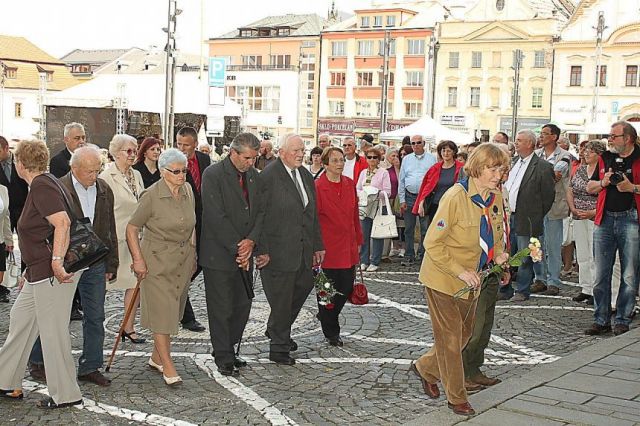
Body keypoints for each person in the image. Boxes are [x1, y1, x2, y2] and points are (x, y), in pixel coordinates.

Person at [410, 143, 510, 416]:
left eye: (501, 169)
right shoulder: (456, 196)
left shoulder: (496, 197)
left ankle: (425, 368)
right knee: (452, 339)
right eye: (493, 168)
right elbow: (433, 242)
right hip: (443, 277)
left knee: (464, 334)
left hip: (473, 280)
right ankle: (457, 397)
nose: (498, 175)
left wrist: (500, 256)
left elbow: (497, 233)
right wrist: (459, 271)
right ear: (477, 168)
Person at [0, 140, 84, 408]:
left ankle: (66, 395)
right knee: (21, 320)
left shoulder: (42, 185)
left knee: (53, 332)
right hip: (38, 271)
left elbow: (62, 222)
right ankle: (6, 380)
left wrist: (57, 262)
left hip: (51, 272)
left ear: (20, 164)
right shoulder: (47, 182)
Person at [28, 147, 118, 388]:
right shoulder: (58, 187)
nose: (94, 175)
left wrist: (112, 262)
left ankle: (91, 366)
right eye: (89, 171)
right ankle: (37, 360)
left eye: (97, 170)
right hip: (67, 261)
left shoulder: (104, 189)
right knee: (56, 313)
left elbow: (110, 228)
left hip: (96, 260)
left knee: (95, 315)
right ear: (73, 168)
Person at [126, 148, 196, 386]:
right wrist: (137, 259)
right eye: (175, 171)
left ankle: (156, 357)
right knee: (162, 312)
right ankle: (167, 364)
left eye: (184, 170)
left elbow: (192, 223)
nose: (181, 175)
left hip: (182, 259)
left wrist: (193, 249)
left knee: (174, 310)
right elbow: (132, 228)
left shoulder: (187, 190)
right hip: (156, 259)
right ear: (163, 172)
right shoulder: (151, 195)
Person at [200, 133, 265, 377]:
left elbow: (260, 212)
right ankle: (223, 355)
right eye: (247, 158)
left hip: (245, 253)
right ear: (234, 153)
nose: (251, 162)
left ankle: (231, 347)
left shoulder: (254, 177)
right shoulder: (214, 175)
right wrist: (239, 247)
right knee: (221, 306)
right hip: (219, 254)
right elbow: (215, 216)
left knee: (242, 304)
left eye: (254, 158)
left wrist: (251, 242)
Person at [259, 133, 325, 365]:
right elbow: (259, 216)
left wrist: (317, 244)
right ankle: (279, 347)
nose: (300, 154)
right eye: (296, 150)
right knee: (281, 299)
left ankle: (276, 328)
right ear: (282, 152)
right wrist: (262, 249)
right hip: (277, 252)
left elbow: (312, 214)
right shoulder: (268, 176)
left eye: (302, 150)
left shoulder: (305, 175)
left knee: (301, 290)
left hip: (303, 251)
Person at [585, 121, 640, 336]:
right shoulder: (605, 158)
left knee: (629, 274)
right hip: (605, 219)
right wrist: (603, 183)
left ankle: (623, 318)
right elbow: (590, 187)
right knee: (600, 274)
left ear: (628, 138)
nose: (610, 139)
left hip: (631, 219)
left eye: (614, 136)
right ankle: (601, 318)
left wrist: (631, 187)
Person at [100, 134, 146, 344]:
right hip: (115, 239)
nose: (133, 154)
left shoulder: (136, 174)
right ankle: (96, 325)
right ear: (116, 153)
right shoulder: (106, 177)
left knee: (134, 283)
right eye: (128, 151)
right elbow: (102, 212)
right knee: (104, 284)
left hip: (135, 238)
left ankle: (128, 326)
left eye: (135, 150)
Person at [315, 147, 362, 346]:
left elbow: (354, 215)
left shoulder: (349, 184)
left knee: (345, 287)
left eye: (341, 160)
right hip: (325, 248)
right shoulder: (317, 186)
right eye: (334, 160)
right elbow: (313, 219)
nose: (339, 164)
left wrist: (359, 239)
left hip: (347, 245)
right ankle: (331, 331)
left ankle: (326, 316)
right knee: (326, 293)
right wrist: (315, 245)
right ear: (325, 164)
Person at [501, 130, 555, 302]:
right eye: (516, 140)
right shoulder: (513, 162)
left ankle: (523, 290)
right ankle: (505, 288)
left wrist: (536, 215)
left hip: (528, 218)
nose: (515, 143)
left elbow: (548, 196)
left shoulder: (543, 166)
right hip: (508, 216)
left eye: (519, 140)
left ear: (530, 144)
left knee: (526, 256)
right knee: (506, 254)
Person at [50, 123, 87, 321]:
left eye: (83, 137)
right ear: (66, 140)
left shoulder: (90, 156)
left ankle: (78, 301)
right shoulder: (58, 161)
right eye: (76, 138)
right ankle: (70, 304)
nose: (81, 141)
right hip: (67, 219)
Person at [532, 124, 572, 296]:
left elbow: (555, 176)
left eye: (545, 134)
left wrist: (537, 178)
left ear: (554, 137)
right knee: (535, 244)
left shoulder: (565, 156)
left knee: (553, 245)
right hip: (535, 206)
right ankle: (539, 278)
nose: (541, 137)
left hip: (554, 205)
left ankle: (553, 281)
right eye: (540, 134)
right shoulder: (536, 155)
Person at [176, 126, 209, 333]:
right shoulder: (173, 162)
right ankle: (186, 316)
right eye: (179, 144)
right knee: (184, 269)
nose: (182, 148)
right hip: (182, 224)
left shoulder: (204, 161)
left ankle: (177, 300)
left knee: (200, 263)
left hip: (204, 223)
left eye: (186, 145)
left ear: (195, 144)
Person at [568, 140, 604, 306]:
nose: (585, 154)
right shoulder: (581, 169)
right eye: (585, 151)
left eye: (590, 151)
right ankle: (585, 287)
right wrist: (573, 208)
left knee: (593, 254)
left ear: (599, 154)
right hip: (578, 215)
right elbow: (570, 189)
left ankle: (596, 290)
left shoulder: (602, 172)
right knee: (582, 253)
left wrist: (592, 212)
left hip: (594, 216)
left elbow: (606, 196)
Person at [398, 135, 437, 266]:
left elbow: (434, 179)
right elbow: (402, 180)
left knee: (425, 228)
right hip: (409, 196)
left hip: (425, 198)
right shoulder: (406, 159)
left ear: (424, 143)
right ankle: (409, 254)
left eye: (418, 142)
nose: (415, 145)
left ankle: (422, 254)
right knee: (409, 228)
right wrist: (402, 199)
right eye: (413, 143)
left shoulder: (432, 159)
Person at [356, 147, 391, 272]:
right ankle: (364, 260)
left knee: (377, 234)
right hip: (365, 206)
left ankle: (375, 261)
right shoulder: (363, 172)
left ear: (379, 159)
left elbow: (388, 192)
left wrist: (374, 192)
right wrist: (364, 193)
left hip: (378, 206)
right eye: (369, 157)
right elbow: (357, 188)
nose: (372, 159)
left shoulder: (384, 173)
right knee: (364, 234)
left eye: (374, 157)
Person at [0, 136, 26, 303]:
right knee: (4, 251)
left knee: (25, 245)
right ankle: (2, 288)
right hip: (4, 212)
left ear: (6, 148)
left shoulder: (20, 163)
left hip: (22, 209)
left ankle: (26, 279)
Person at [413, 140, 464, 225]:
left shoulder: (461, 168)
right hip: (436, 205)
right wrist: (421, 204)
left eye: (448, 151)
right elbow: (426, 187)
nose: (445, 153)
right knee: (434, 232)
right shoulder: (435, 168)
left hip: (453, 206)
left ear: (454, 152)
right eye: (443, 150)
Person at [386, 147, 404, 257]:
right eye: (393, 156)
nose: (395, 158)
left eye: (397, 156)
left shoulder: (403, 169)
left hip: (400, 198)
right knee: (393, 224)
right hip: (391, 199)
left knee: (402, 224)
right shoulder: (387, 171)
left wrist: (398, 167)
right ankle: (395, 246)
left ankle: (403, 247)